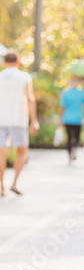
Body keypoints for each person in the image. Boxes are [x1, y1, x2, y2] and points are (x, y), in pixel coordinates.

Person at [0, 50, 39, 196]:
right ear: (18, 62)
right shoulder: (24, 77)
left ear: (4, 62)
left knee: (1, 154)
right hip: (19, 120)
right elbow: (30, 99)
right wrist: (34, 121)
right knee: (21, 152)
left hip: (1, 120)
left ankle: (2, 187)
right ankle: (14, 183)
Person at [60, 77, 84, 163]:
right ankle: (74, 148)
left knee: (69, 138)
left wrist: (60, 118)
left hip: (67, 118)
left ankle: (69, 155)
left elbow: (62, 107)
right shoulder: (82, 92)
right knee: (77, 137)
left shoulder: (65, 93)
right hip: (78, 118)